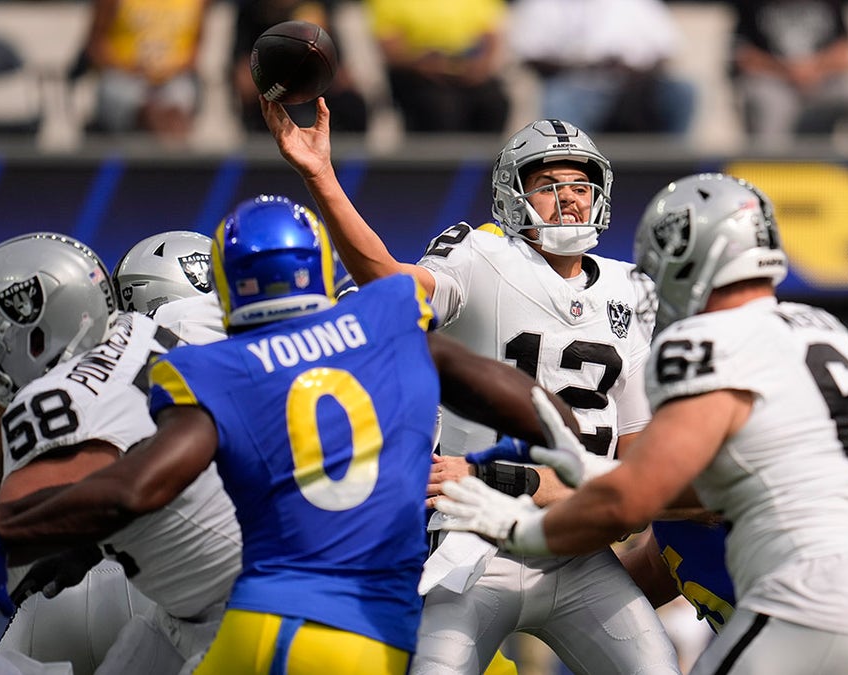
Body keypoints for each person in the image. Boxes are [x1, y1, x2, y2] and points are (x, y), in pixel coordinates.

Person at [0, 195, 584, 675]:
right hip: (408, 594)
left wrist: (6, 536)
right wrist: (508, 466)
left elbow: (137, 487)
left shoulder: (211, 369)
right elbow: (541, 412)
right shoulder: (380, 318)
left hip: (280, 615)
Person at [436, 172, 848, 673]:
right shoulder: (824, 329)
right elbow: (678, 535)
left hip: (814, 602)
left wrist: (515, 512)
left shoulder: (702, 345)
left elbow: (642, 495)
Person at [262, 98, 682, 673]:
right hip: (475, 545)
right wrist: (322, 176)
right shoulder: (483, 254)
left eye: (580, 184)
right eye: (547, 184)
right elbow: (389, 282)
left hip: (580, 551)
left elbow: (634, 455)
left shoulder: (630, 287)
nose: (568, 197)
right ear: (514, 197)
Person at [0, 229, 244, 675]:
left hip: (246, 612)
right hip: (236, 583)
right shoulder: (159, 322)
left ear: (35, 334)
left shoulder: (53, 404)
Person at [508, 0, 696, 136]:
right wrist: (586, 66)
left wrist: (634, 72)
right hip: (578, 86)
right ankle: (569, 164)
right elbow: (530, 57)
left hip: (635, 86)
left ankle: (673, 167)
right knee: (558, 97)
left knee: (682, 90)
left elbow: (667, 52)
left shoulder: (637, 4)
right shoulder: (542, 5)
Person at [730, 0, 848, 148]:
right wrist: (788, 71)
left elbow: (846, 54)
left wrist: (813, 69)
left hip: (822, 80)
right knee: (769, 102)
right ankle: (773, 168)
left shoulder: (832, 4)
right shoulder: (752, 5)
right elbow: (744, 56)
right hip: (774, 80)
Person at [363, 0, 510, 133]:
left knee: (494, 102)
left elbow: (491, 34)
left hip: (467, 69)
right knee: (442, 107)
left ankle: (488, 161)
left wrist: (480, 66)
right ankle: (441, 161)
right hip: (416, 74)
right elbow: (391, 49)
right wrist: (426, 64)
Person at [231, 0, 368, 134]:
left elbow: (340, 71)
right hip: (274, 85)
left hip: (316, 84)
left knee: (350, 103)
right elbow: (244, 74)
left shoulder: (316, 8)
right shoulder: (251, 13)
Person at [80, 0, 211, 140]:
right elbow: (95, 46)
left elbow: (195, 52)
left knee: (181, 94)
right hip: (123, 77)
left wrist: (167, 71)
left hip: (173, 79)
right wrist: (130, 67)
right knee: (118, 91)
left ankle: (163, 135)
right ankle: (158, 128)